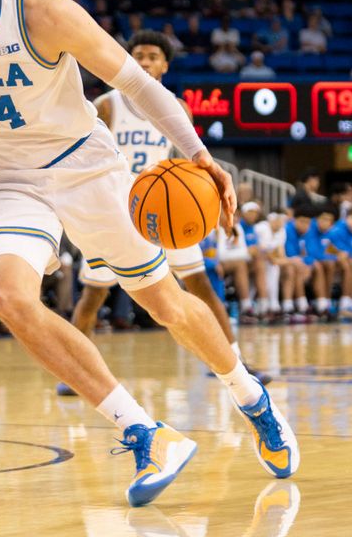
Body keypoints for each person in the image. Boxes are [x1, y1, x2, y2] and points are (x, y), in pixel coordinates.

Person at [0, 0, 298, 505]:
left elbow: (140, 86)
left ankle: (249, 395)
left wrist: (201, 155)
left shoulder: (41, 12)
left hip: (85, 168)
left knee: (168, 307)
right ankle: (143, 430)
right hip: (5, 180)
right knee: (7, 297)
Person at [63, 31, 269, 394]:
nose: (144, 61)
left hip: (166, 211)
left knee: (201, 286)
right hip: (118, 209)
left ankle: (235, 360)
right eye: (138, 54)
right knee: (94, 294)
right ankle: (76, 373)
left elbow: (191, 162)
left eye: (152, 56)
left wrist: (214, 207)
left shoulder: (177, 106)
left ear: (165, 65)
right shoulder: (109, 104)